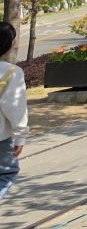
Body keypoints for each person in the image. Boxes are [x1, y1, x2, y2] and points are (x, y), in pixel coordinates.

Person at [0, 22, 28, 199]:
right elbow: (14, 107)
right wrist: (20, 135)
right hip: (1, 137)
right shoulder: (10, 72)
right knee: (6, 174)